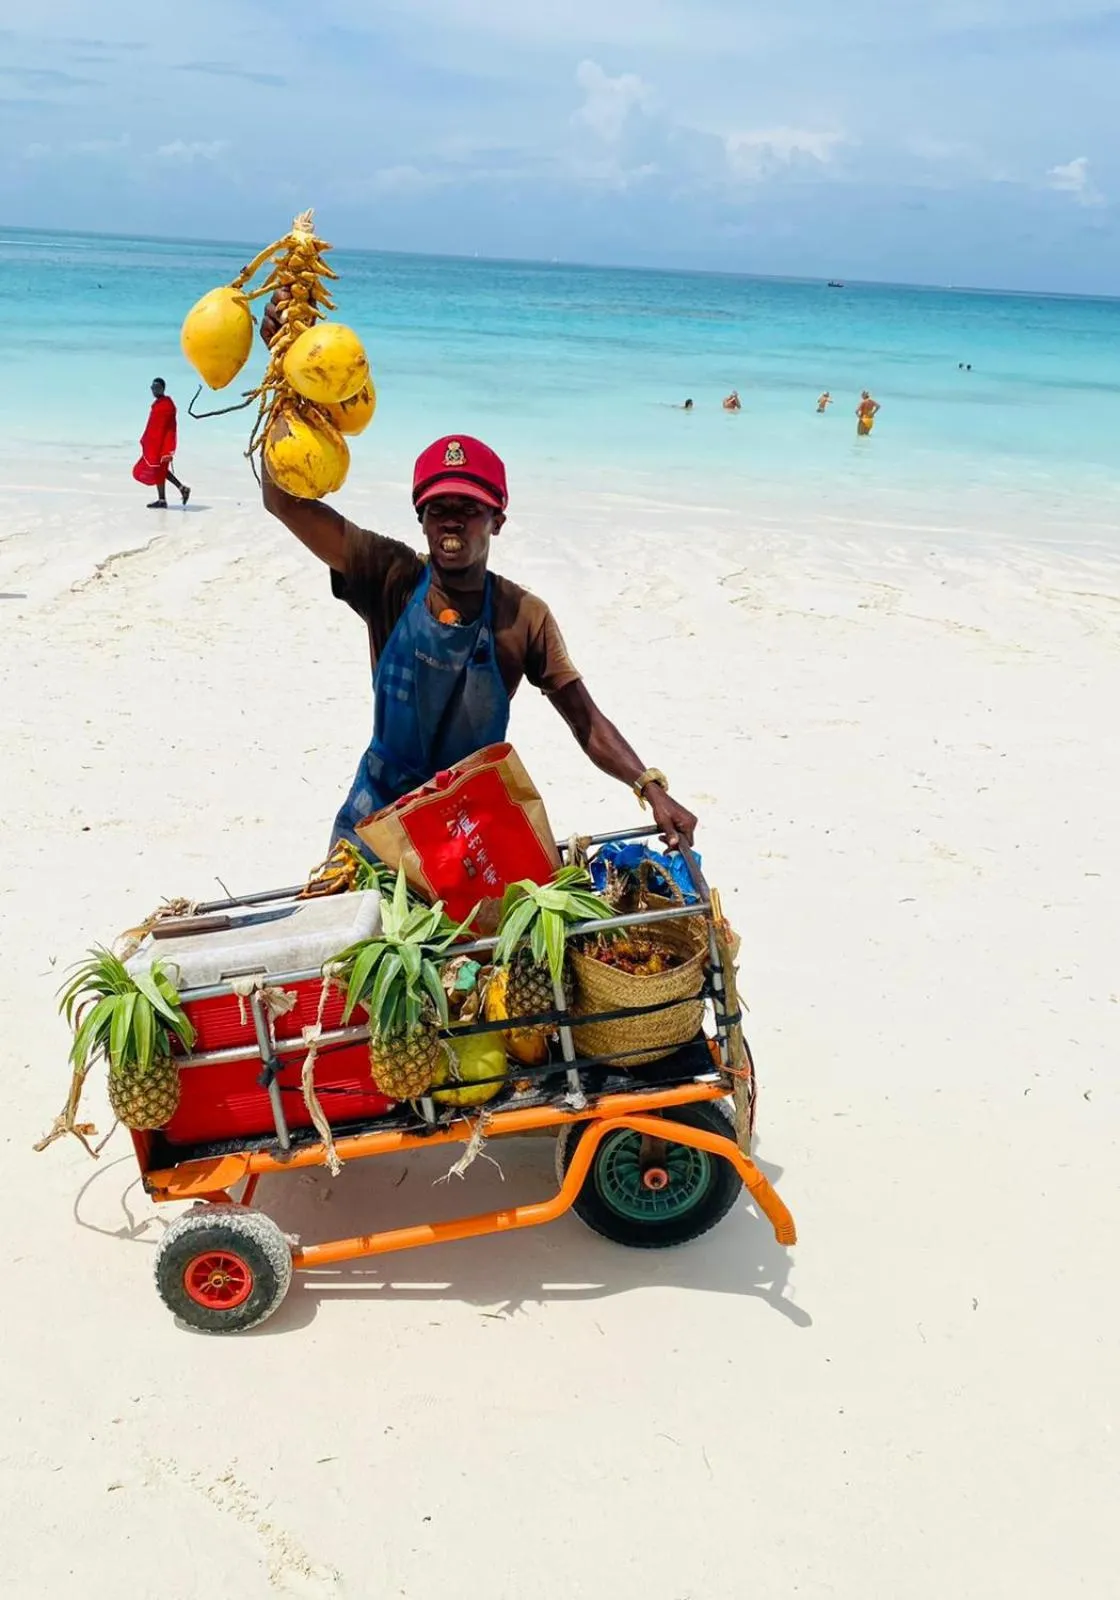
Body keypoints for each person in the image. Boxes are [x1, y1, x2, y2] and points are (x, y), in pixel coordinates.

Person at [260, 302, 697, 856]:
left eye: (467, 508)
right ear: (419, 517)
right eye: (437, 506)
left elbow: (585, 721)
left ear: (497, 520)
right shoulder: (388, 575)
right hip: (375, 822)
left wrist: (650, 787)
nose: (450, 519)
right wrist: (283, 381)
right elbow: (283, 501)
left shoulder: (523, 617)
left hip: (467, 834)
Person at [132, 379, 190, 508]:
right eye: (152, 387)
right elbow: (153, 426)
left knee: (160, 470)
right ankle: (181, 489)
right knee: (160, 470)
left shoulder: (167, 405)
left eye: (157, 387)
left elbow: (168, 429)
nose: (154, 389)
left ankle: (163, 500)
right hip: (155, 444)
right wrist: (147, 439)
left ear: (163, 388)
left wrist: (166, 447)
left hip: (163, 445)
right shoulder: (157, 405)